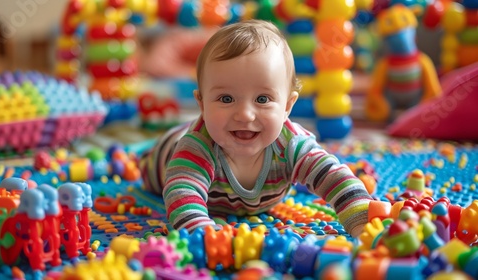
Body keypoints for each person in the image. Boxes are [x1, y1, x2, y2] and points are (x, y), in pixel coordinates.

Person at [140, 19, 373, 237]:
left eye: (262, 99)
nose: (244, 114)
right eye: (226, 99)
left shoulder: (291, 144)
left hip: (212, 134)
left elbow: (334, 177)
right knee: (154, 165)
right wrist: (204, 235)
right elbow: (182, 194)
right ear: (201, 103)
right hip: (166, 156)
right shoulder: (197, 148)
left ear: (287, 107)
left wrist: (361, 220)